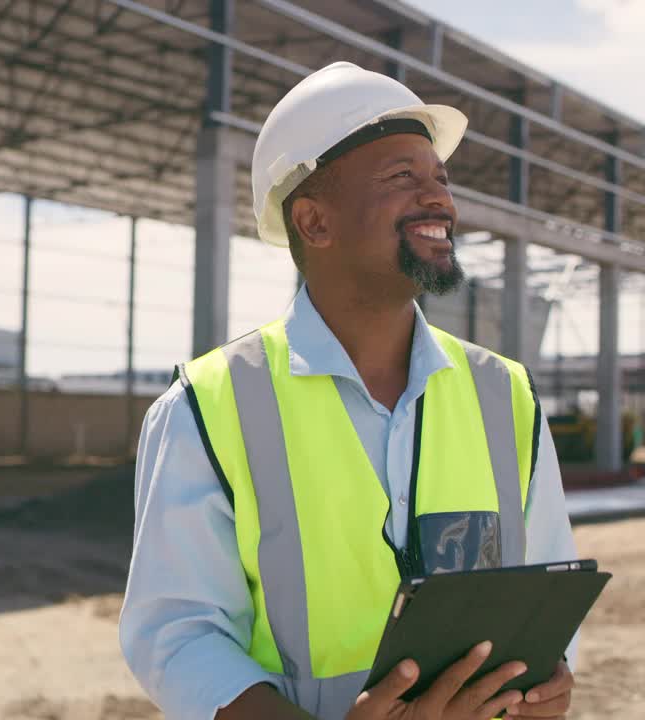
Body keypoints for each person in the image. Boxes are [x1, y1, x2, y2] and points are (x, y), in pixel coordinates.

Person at [119, 62, 579, 720]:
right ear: (314, 222)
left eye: (441, 181)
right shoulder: (208, 407)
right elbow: (176, 635)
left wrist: (551, 680)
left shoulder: (506, 395)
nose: (440, 201)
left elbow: (547, 591)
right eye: (403, 179)